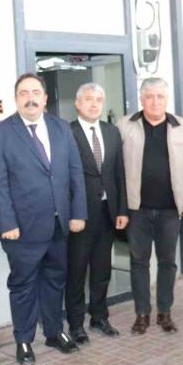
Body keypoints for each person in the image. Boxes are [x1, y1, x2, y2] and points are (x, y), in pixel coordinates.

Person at [0, 73, 88, 365]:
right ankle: (24, 340)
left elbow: (75, 172)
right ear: (16, 99)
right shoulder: (0, 134)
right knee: (23, 285)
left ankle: (54, 332)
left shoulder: (61, 128)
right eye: (23, 93)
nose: (30, 98)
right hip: (21, 229)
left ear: (45, 98)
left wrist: (78, 213)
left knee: (55, 280)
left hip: (58, 224)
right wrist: (7, 224)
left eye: (35, 93)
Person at [117, 78, 183, 335]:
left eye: (160, 96)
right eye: (149, 96)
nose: (155, 102)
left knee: (167, 263)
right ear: (141, 99)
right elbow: (116, 169)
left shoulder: (181, 126)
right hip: (137, 210)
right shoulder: (125, 125)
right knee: (138, 263)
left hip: (170, 210)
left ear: (166, 99)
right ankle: (142, 313)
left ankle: (165, 312)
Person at [66, 83, 128, 343]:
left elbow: (119, 173)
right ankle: (76, 324)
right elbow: (64, 177)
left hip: (107, 212)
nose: (94, 104)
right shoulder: (67, 132)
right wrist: (72, 213)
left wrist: (122, 209)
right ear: (78, 104)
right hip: (80, 215)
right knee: (77, 271)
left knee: (102, 269)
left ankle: (99, 317)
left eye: (98, 100)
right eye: (88, 99)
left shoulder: (112, 132)